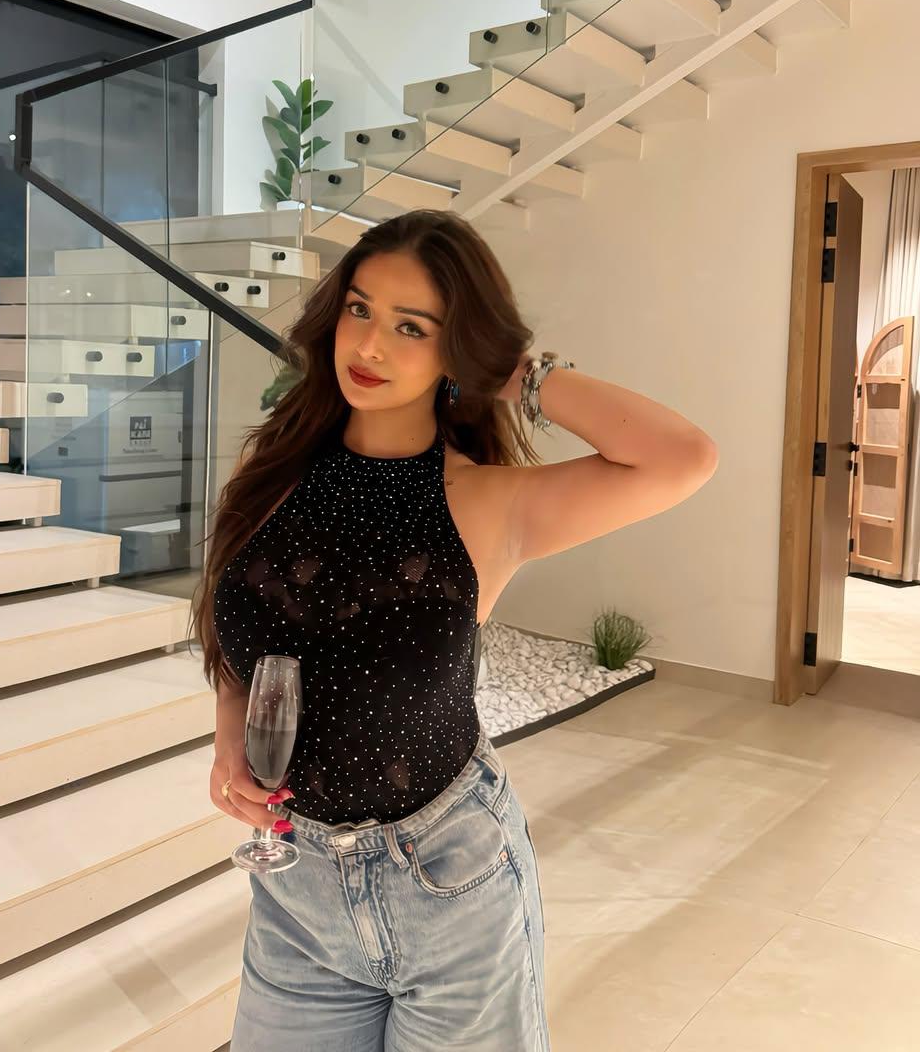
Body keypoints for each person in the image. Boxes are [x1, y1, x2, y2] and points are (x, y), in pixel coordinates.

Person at [190, 209, 718, 1051]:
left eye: (413, 327)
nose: (370, 345)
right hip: (297, 890)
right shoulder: (273, 474)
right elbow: (246, 638)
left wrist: (513, 373)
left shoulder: (484, 502)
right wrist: (231, 731)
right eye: (360, 309)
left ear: (457, 349)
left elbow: (682, 456)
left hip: (449, 881)